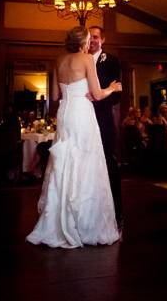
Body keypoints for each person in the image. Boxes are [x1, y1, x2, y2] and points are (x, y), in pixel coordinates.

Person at [26, 26, 122, 248]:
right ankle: (83, 222)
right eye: (89, 39)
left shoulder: (58, 60)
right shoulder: (87, 58)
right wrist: (112, 87)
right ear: (83, 41)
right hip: (82, 112)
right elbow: (97, 95)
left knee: (65, 160)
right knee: (85, 162)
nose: (90, 43)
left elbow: (55, 95)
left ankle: (57, 221)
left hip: (65, 113)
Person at [87, 25, 124, 229]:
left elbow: (117, 93)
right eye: (89, 37)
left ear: (103, 39)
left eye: (95, 37)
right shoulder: (80, 58)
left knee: (109, 164)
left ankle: (116, 212)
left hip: (102, 119)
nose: (91, 40)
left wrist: (97, 98)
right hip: (83, 119)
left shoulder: (111, 61)